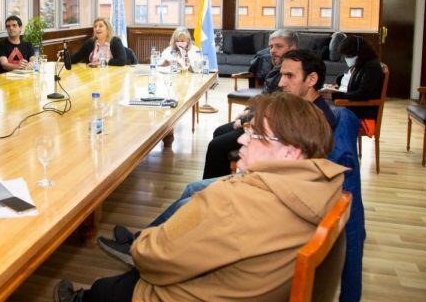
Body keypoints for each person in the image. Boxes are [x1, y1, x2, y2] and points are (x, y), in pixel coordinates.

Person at [54, 92, 346, 302]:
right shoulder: (326, 187)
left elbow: (149, 256)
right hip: (250, 283)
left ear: (290, 151)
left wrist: (143, 243)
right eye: (247, 129)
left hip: (200, 291)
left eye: (256, 135)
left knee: (111, 288)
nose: (242, 139)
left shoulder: (235, 199)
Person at [98, 48, 337, 264]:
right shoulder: (298, 107)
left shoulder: (315, 120)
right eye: (282, 74)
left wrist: (230, 188)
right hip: (260, 181)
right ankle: (142, 240)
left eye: (290, 76)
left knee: (190, 199)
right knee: (193, 188)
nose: (281, 82)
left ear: (312, 79)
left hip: (261, 190)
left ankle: (146, 249)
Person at [202, 29, 298, 179]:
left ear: (292, 48)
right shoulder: (277, 69)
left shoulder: (289, 74)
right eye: (271, 46)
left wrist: (245, 120)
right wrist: (249, 109)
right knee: (219, 132)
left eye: (279, 46)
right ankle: (222, 181)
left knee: (216, 146)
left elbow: (275, 107)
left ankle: (215, 189)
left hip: (269, 127)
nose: (273, 51)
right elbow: (266, 97)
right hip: (259, 118)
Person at [321, 35, 384, 135]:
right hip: (354, 111)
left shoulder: (372, 68)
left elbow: (362, 94)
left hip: (363, 117)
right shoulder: (361, 65)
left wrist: (333, 95)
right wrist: (334, 87)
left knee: (323, 120)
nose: (346, 58)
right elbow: (353, 84)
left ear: (358, 53)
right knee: (322, 114)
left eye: (349, 55)